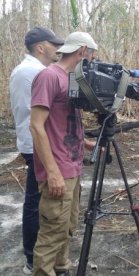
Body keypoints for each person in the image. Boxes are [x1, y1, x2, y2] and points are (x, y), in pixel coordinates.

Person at [30, 31, 98, 276]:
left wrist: (84, 142)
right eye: (91, 54)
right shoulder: (49, 76)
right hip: (57, 169)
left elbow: (62, 123)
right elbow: (36, 125)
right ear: (82, 51)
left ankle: (61, 269)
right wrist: (52, 172)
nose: (91, 59)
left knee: (67, 226)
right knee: (51, 233)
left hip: (73, 166)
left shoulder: (73, 80)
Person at [9, 27, 64, 275]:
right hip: (37, 144)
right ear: (41, 47)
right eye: (54, 44)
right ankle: (32, 257)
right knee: (35, 201)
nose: (58, 49)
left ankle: (35, 253)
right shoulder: (34, 72)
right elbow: (37, 118)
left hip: (32, 142)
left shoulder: (27, 70)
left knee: (36, 200)